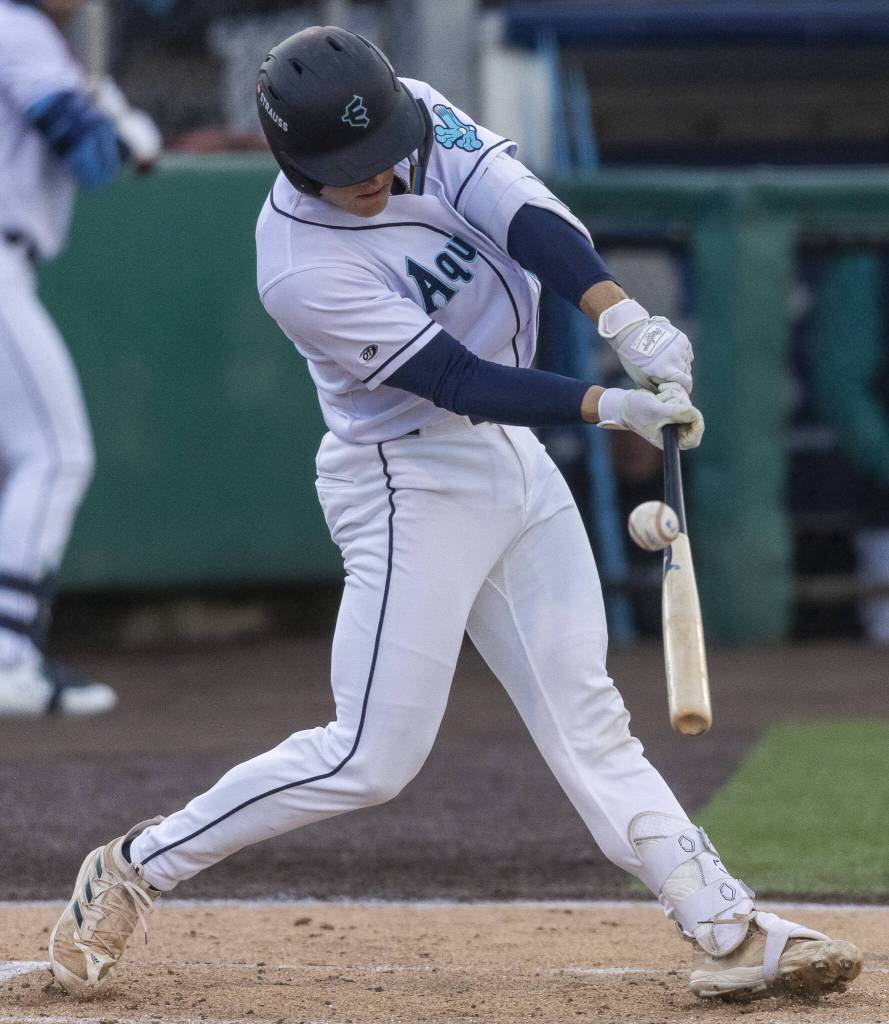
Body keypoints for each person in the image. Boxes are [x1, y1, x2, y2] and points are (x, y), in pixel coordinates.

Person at [47, 26, 862, 1002]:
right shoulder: (300, 269)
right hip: (405, 477)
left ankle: (726, 927)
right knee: (369, 756)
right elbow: (455, 379)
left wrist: (621, 319)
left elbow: (527, 220)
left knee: (591, 719)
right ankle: (137, 864)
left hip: (510, 457)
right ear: (293, 162)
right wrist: (609, 402)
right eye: (348, 166)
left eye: (382, 146)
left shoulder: (415, 114)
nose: (380, 172)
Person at [0, 0, 162, 715]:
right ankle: (8, 657)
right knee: (56, 454)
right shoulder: (19, 28)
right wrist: (120, 128)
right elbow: (92, 159)